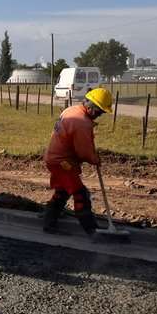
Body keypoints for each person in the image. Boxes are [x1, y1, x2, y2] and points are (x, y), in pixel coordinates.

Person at [43, 88, 113, 235]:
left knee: (62, 191)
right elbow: (84, 151)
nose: (99, 115)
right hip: (62, 162)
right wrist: (94, 159)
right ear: (90, 106)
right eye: (99, 111)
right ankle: (91, 229)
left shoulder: (72, 110)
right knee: (80, 193)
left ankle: (49, 219)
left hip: (54, 158)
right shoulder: (81, 123)